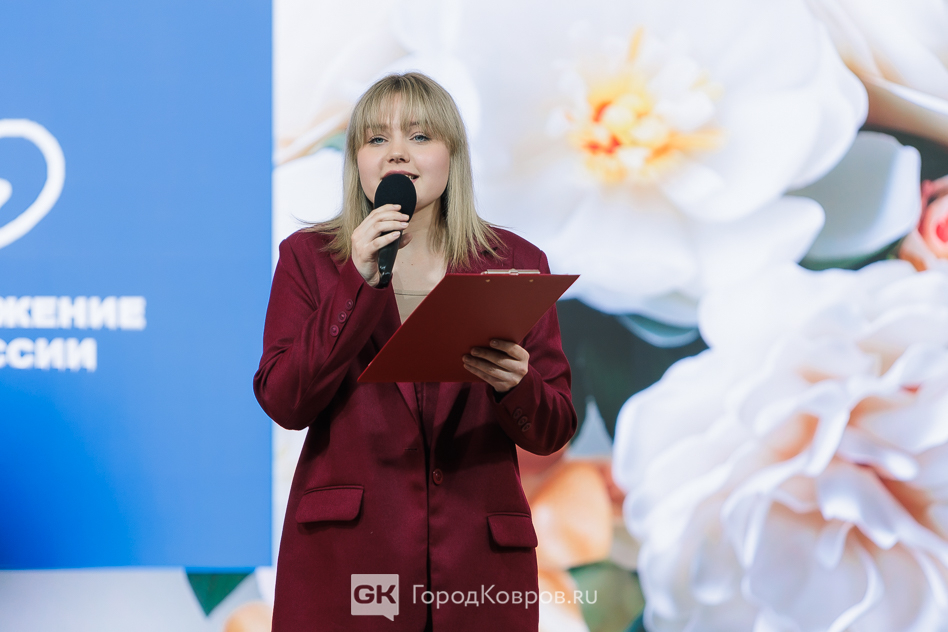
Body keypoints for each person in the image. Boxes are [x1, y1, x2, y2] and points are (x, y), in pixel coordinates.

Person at [253, 72, 577, 632]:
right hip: (349, 566)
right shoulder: (310, 259)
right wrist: (355, 283)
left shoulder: (515, 262)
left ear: (454, 157)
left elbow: (552, 429)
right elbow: (285, 401)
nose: (397, 152)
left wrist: (515, 384)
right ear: (357, 160)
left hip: (478, 569)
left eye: (420, 136)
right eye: (376, 138)